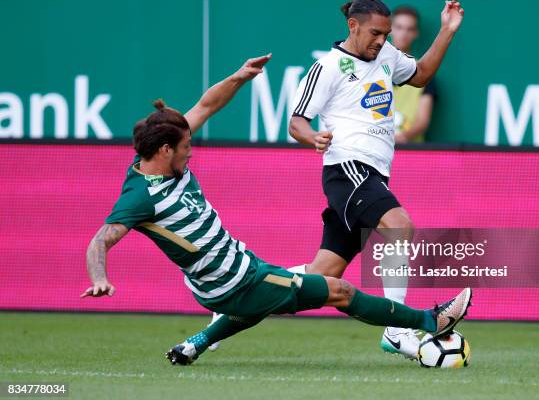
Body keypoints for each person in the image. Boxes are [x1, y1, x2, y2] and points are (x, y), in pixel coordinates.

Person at [80, 53, 472, 366]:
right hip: (230, 282)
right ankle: (426, 320)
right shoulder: (139, 196)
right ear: (165, 151)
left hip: (240, 267)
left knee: (277, 293)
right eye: (186, 147)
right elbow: (101, 240)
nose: (191, 149)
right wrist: (99, 278)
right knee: (339, 290)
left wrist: (238, 77)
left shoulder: (165, 152)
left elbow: (205, 105)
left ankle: (196, 343)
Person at [287, 0, 465, 359]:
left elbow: (421, 75)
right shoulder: (329, 67)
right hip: (347, 168)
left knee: (322, 276)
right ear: (353, 26)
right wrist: (313, 137)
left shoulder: (385, 55)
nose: (381, 41)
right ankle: (397, 329)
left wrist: (447, 31)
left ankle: (243, 295)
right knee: (399, 225)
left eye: (385, 34)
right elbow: (296, 121)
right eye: (375, 33)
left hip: (373, 175)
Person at [390, 5, 437, 144]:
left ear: (416, 33)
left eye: (409, 29)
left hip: (410, 152)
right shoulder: (372, 66)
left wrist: (403, 137)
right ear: (389, 29)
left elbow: (423, 121)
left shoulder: (424, 71)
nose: (403, 33)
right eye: (398, 27)